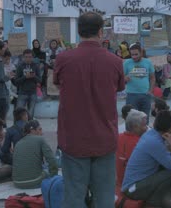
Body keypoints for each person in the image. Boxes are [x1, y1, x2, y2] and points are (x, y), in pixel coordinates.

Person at [53, 12, 125, 207]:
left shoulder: (63, 59)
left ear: (78, 31)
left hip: (73, 138)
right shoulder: (115, 61)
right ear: (101, 32)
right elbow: (118, 88)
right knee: (104, 197)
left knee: (74, 196)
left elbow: (58, 85)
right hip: (105, 138)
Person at [122, 110, 171, 208]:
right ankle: (152, 203)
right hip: (133, 189)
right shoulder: (154, 141)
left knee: (167, 169)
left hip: (135, 183)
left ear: (155, 122)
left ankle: (155, 202)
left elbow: (166, 158)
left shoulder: (151, 134)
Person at [12, 120, 58, 189]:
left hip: (17, 182)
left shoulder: (18, 143)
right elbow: (52, 160)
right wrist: (54, 178)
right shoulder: (40, 139)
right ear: (32, 130)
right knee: (47, 170)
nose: (42, 133)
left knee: (43, 166)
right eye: (40, 129)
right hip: (34, 181)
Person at [116, 110, 148, 192]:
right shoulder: (143, 143)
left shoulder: (116, 138)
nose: (147, 127)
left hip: (118, 183)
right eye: (144, 125)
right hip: (134, 185)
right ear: (135, 127)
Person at [124, 43, 155, 117]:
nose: (134, 57)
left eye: (136, 54)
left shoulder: (148, 62)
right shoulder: (127, 63)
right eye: (132, 55)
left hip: (145, 95)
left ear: (141, 52)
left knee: (145, 119)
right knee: (132, 119)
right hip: (131, 95)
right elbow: (120, 77)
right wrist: (124, 78)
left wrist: (150, 91)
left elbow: (152, 78)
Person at [15, 49, 41, 119]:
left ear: (32, 57)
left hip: (33, 93)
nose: (28, 59)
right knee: (18, 113)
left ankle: (30, 128)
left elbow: (40, 80)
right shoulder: (20, 66)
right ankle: (18, 128)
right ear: (23, 57)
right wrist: (25, 77)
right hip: (22, 93)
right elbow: (16, 81)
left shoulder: (36, 66)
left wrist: (34, 76)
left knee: (30, 114)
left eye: (30, 57)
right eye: (26, 57)